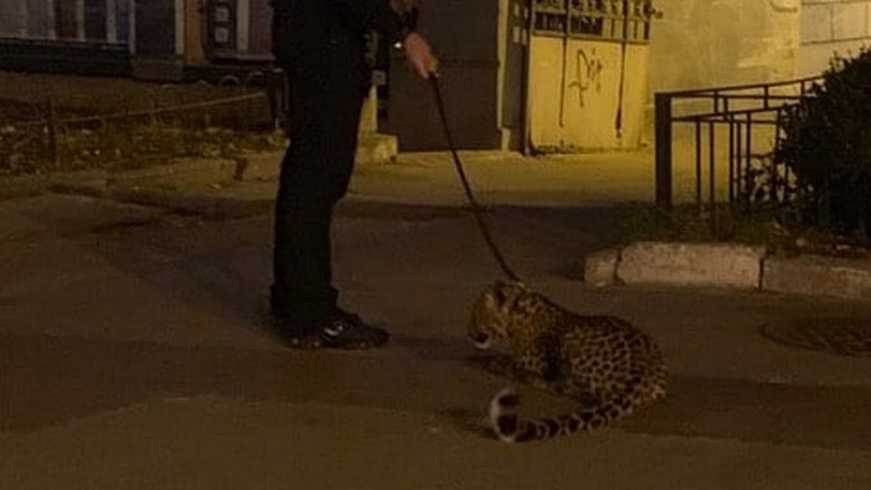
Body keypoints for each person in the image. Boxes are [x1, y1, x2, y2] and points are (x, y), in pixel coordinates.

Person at [269, 0, 438, 349]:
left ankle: (296, 301)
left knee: (307, 181)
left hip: (315, 48)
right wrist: (403, 34)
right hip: (325, 54)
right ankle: (310, 315)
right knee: (315, 184)